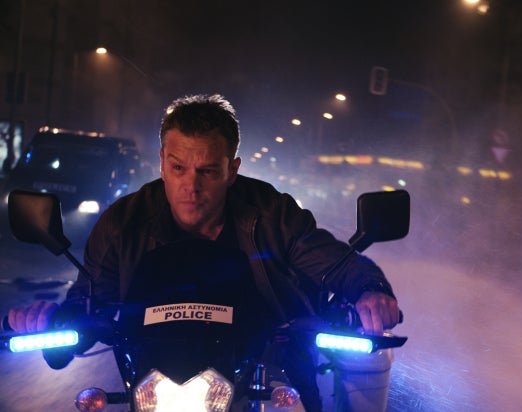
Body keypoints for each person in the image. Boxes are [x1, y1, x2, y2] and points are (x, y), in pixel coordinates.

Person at [7, 93, 401, 410]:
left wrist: (370, 290)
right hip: (156, 377)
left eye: (208, 171)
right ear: (162, 163)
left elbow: (332, 262)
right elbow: (89, 299)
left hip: (270, 366)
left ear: (232, 170)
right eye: (178, 168)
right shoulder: (123, 223)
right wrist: (53, 320)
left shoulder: (270, 214)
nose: (191, 187)